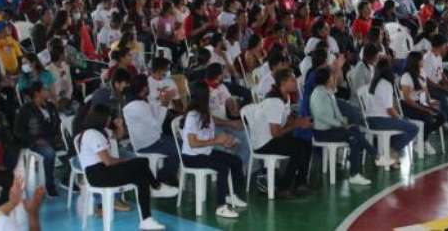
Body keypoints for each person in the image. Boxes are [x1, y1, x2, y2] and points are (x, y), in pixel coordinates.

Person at [76, 104, 177, 231]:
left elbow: (117, 136)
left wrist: (120, 126)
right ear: (101, 117)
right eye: (108, 117)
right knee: (141, 162)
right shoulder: (92, 134)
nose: (110, 119)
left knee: (141, 178)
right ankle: (156, 186)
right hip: (97, 174)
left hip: (104, 171)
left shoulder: (101, 131)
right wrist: (126, 162)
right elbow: (108, 161)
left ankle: (146, 220)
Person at [180, 84, 247, 218]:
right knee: (223, 168)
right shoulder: (193, 115)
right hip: (192, 157)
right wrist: (216, 141)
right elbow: (193, 143)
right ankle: (221, 207)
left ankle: (230, 195)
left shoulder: (204, 112)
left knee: (236, 161)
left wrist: (226, 141)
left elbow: (209, 133)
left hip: (205, 152)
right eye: (208, 93)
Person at [251, 68, 314, 197]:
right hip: (264, 143)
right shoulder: (274, 102)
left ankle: (300, 183)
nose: (296, 82)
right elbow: (276, 133)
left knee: (306, 144)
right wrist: (297, 124)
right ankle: (283, 187)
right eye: (292, 80)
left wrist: (300, 121)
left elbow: (287, 119)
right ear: (283, 83)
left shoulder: (285, 97)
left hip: (271, 138)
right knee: (298, 148)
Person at [310, 66, 376, 185]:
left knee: (354, 132)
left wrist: (344, 123)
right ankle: (370, 160)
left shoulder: (329, 92)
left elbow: (337, 112)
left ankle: (361, 167)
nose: (335, 78)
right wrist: (340, 125)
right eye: (332, 76)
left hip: (331, 129)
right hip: (322, 133)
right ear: (326, 79)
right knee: (354, 136)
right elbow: (321, 116)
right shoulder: (318, 94)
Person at [122, 75, 179, 186]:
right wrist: (165, 103)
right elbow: (157, 125)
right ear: (144, 88)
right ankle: (163, 177)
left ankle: (165, 175)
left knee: (180, 143)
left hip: (153, 138)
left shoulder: (137, 100)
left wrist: (162, 101)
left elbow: (153, 114)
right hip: (147, 144)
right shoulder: (136, 105)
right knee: (179, 149)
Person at [365, 59, 418, 165]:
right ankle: (392, 150)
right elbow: (389, 109)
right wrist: (399, 118)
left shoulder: (374, 82)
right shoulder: (386, 84)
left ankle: (390, 150)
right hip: (381, 120)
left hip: (370, 120)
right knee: (413, 128)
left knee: (403, 124)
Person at [13, 82, 62, 197]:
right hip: (34, 142)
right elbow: (18, 131)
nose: (48, 91)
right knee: (49, 153)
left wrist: (58, 136)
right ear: (37, 93)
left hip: (51, 139)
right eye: (45, 89)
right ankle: (49, 185)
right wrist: (34, 140)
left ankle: (68, 179)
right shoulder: (25, 110)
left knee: (71, 147)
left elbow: (57, 123)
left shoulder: (50, 106)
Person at [400, 52, 446, 154]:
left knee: (441, 117)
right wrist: (425, 109)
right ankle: (422, 142)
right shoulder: (406, 76)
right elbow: (407, 99)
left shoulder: (422, 72)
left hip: (420, 103)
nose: (423, 61)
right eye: (421, 59)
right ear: (416, 61)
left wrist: (430, 102)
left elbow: (425, 89)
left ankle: (422, 139)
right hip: (408, 106)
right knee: (428, 118)